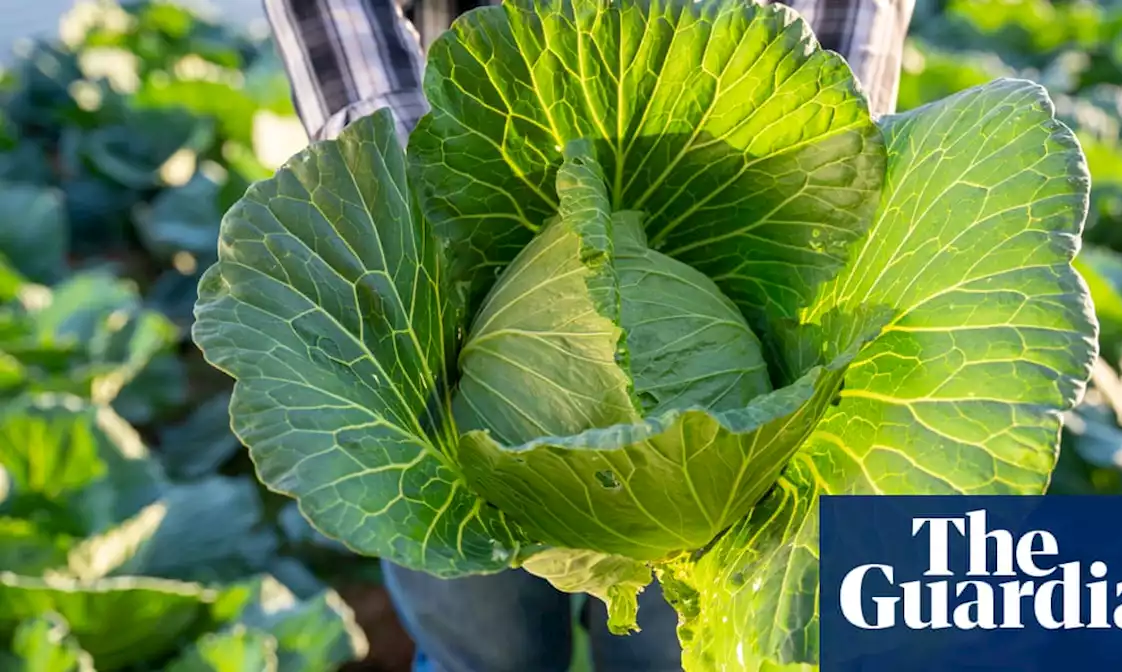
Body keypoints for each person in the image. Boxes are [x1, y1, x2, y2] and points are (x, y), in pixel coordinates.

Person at [260, 0, 916, 670]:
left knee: (686, 654)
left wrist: (814, 121)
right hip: (472, 201)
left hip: (728, 172)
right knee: (488, 650)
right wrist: (406, 192)